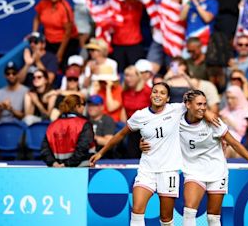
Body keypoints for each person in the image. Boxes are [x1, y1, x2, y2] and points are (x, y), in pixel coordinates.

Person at [89, 83, 217, 225]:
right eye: (155, 92)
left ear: (168, 98)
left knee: (166, 218)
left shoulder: (176, 109)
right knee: (137, 211)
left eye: (162, 93)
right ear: (150, 95)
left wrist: (207, 113)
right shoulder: (140, 115)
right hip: (147, 169)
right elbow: (120, 134)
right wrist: (101, 152)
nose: (158, 95)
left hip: (168, 171)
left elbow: (196, 106)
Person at [140, 90, 248, 226]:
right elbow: (156, 131)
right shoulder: (176, 121)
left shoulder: (213, 123)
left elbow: (235, 143)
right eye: (199, 104)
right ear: (187, 105)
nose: (203, 108)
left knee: (213, 218)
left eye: (205, 105)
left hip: (217, 171)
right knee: (189, 211)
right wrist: (143, 143)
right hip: (193, 171)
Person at [41, 94, 95, 167]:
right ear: (77, 106)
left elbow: (45, 150)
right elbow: (83, 148)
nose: (84, 107)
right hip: (81, 170)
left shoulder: (52, 125)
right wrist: (66, 164)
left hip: (57, 170)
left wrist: (54, 164)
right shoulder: (84, 124)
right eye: (83, 104)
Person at [33, 0, 79, 69]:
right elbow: (36, 19)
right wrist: (34, 35)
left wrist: (59, 54)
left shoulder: (64, 8)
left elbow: (68, 33)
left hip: (65, 44)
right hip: (49, 41)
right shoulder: (43, 3)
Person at [121, 65, 151, 159]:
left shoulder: (147, 91)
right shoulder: (124, 92)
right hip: (132, 128)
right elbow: (125, 110)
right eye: (126, 75)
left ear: (138, 76)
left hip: (147, 128)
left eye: (131, 76)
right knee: (131, 155)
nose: (128, 78)